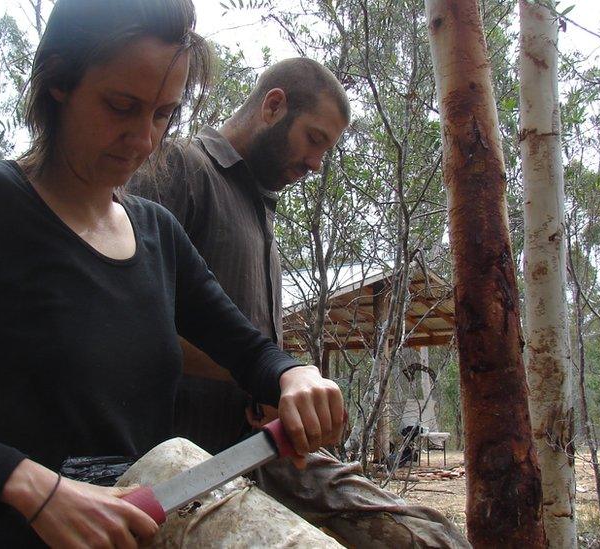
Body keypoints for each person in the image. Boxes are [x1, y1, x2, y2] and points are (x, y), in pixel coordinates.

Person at [0, 2, 343, 547]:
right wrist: (32, 488)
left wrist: (295, 376)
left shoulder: (158, 234)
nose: (144, 139)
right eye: (121, 106)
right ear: (59, 81)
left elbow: (249, 351)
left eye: (163, 114)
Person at [128, 58, 469, 548]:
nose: (316, 164)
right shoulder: (181, 169)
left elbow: (257, 344)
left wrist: (276, 386)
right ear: (273, 106)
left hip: (263, 452)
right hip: (182, 465)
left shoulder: (260, 211)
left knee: (429, 536)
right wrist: (267, 376)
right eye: (314, 139)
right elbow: (133, 322)